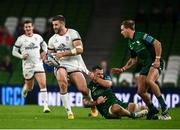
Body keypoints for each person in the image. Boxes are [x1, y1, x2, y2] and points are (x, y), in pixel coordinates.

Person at [111, 20, 171, 120]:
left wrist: (157, 59)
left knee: (149, 80)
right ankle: (152, 109)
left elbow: (157, 43)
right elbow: (133, 59)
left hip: (155, 61)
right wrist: (122, 69)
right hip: (146, 64)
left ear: (128, 29)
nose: (121, 32)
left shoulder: (142, 36)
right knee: (140, 91)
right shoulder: (130, 43)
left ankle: (164, 107)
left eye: (122, 30)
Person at [46, 15, 97, 119]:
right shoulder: (52, 39)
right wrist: (49, 60)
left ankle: (93, 106)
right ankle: (69, 112)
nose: (54, 27)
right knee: (63, 84)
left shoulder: (73, 33)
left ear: (62, 24)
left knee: (83, 89)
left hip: (74, 64)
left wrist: (62, 54)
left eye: (56, 25)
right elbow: (49, 55)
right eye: (53, 25)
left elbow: (80, 49)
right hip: (60, 65)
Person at [12, 20, 50, 113]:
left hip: (38, 64)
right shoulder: (20, 39)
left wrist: (44, 51)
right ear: (24, 28)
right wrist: (21, 56)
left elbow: (45, 45)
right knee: (30, 88)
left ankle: (45, 106)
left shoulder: (38, 37)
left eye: (29, 26)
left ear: (32, 27)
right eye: (26, 27)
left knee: (43, 85)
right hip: (27, 66)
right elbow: (14, 52)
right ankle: (25, 88)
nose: (28, 28)